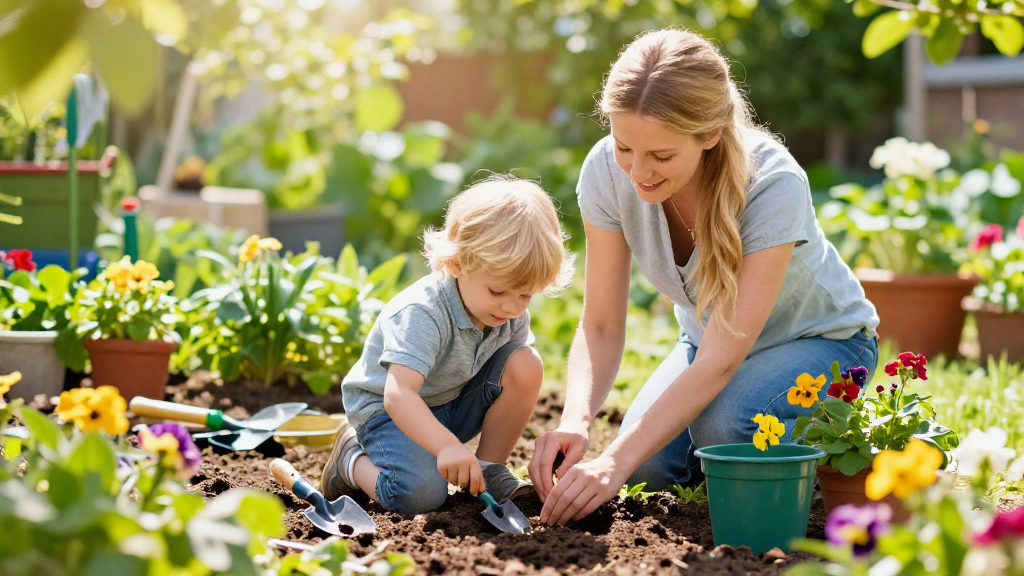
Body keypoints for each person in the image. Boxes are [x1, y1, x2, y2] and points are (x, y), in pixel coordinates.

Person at [528, 28, 880, 526]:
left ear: (711, 134)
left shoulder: (773, 183)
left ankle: (816, 453)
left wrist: (613, 459)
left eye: (662, 156)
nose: (637, 171)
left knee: (725, 428)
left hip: (825, 342)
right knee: (645, 468)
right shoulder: (607, 170)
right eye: (625, 146)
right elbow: (602, 323)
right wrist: (576, 422)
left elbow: (722, 357)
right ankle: (727, 457)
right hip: (705, 344)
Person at [322, 175, 574, 514]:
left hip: (450, 401)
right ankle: (351, 459)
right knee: (421, 497)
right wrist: (446, 446)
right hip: (389, 414)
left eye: (526, 294)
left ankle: (489, 469)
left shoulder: (507, 311)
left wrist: (451, 446)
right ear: (458, 264)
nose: (513, 308)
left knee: (525, 364)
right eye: (498, 292)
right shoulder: (423, 313)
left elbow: (513, 372)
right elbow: (399, 395)